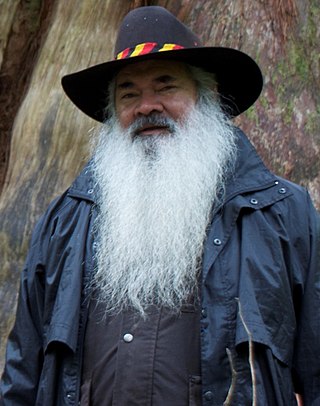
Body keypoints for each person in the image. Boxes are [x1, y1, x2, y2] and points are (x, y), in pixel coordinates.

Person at [0, 5, 319, 406]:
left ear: (208, 96)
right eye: (128, 93)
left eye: (166, 86)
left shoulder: (284, 214)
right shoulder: (64, 220)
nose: (146, 106)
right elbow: (23, 371)